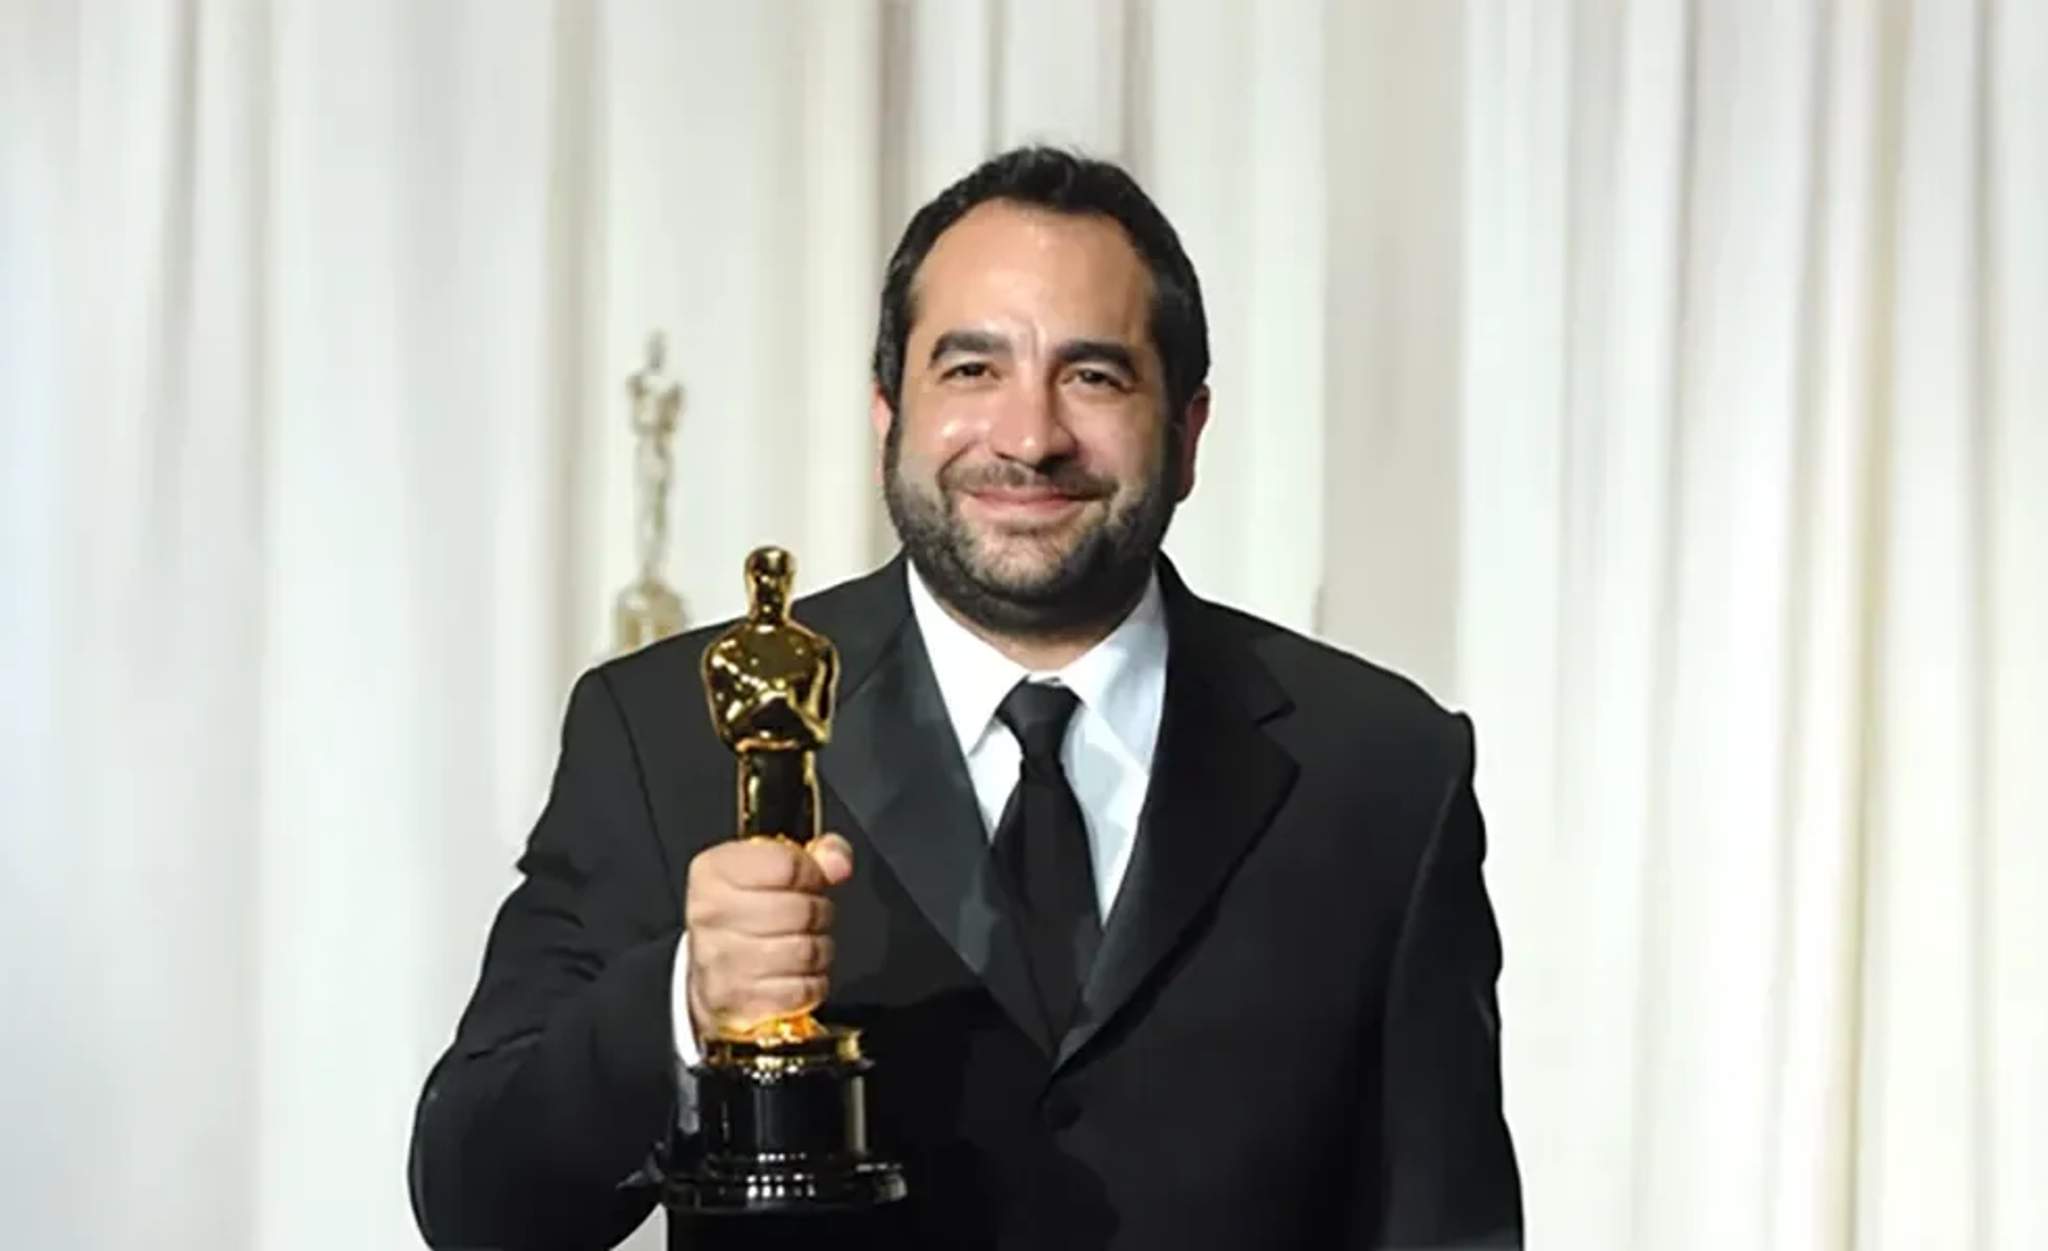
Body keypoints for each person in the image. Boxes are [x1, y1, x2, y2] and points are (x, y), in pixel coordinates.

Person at [409, 146, 1521, 1250]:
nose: (1028, 437)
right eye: (971, 370)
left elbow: (1446, 1223)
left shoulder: (1381, 771)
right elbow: (477, 1201)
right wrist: (681, 1007)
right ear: (888, 413)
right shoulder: (668, 734)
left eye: (1092, 375)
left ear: (1186, 434)